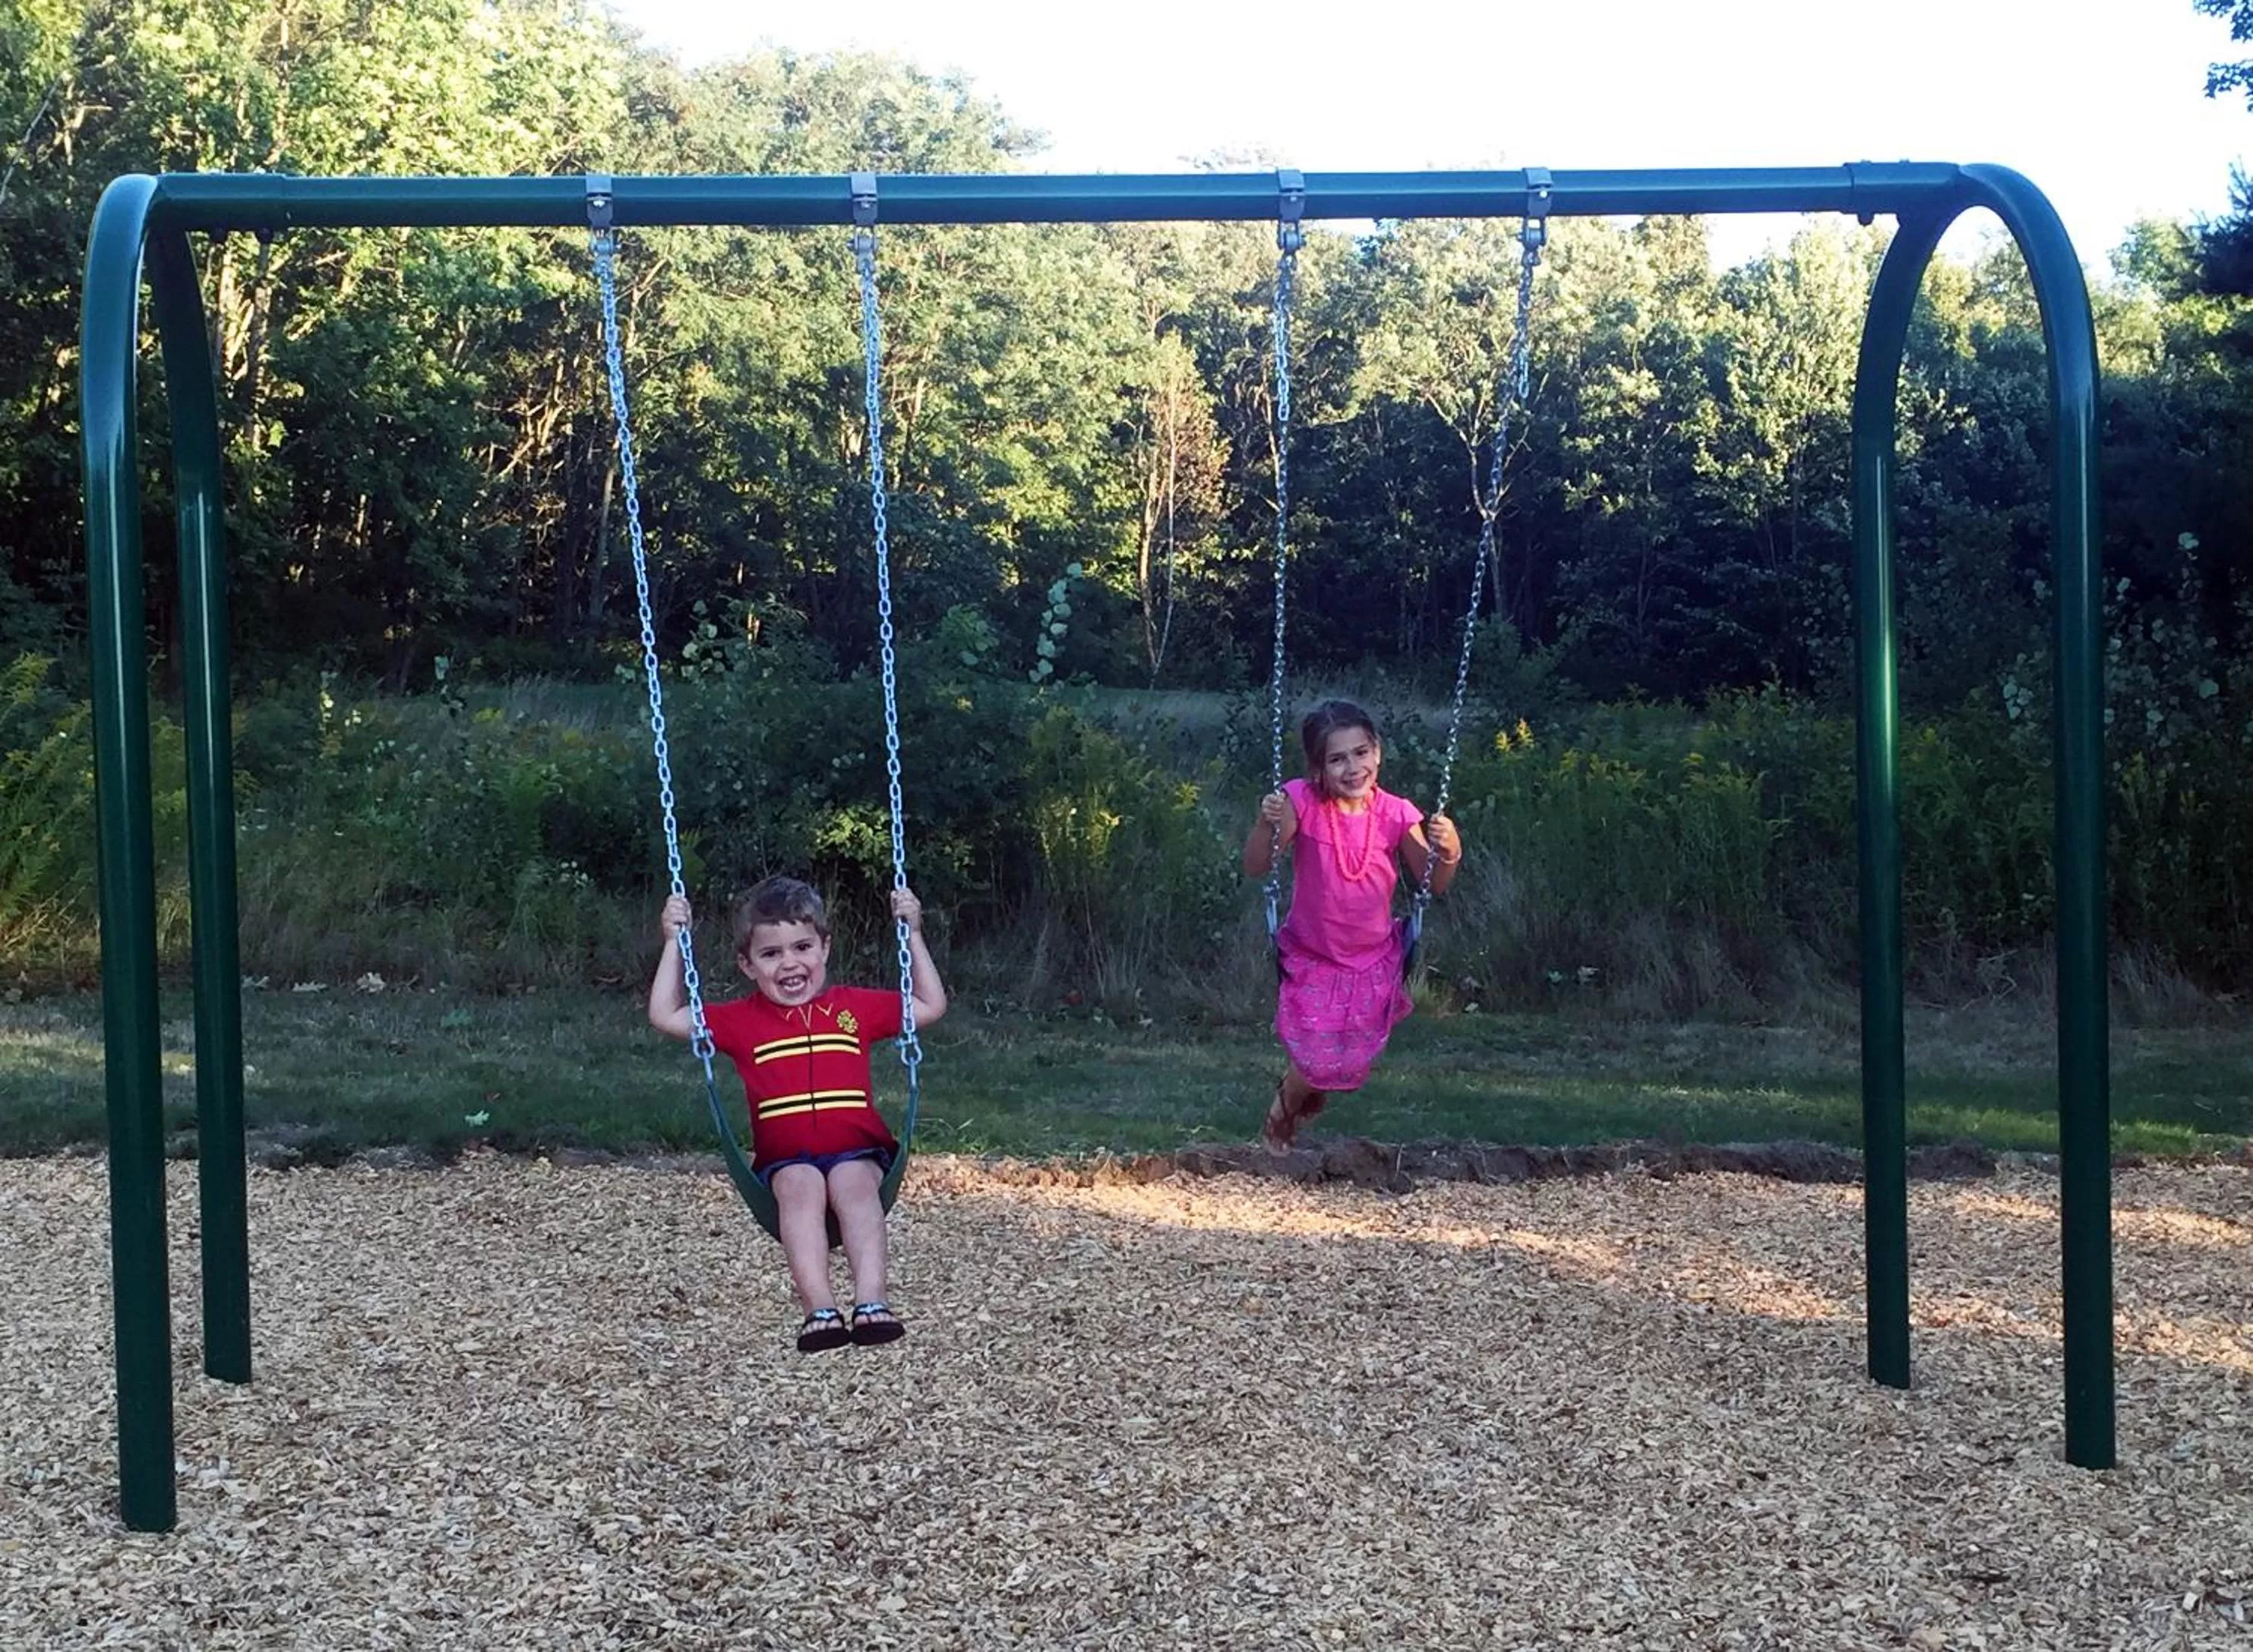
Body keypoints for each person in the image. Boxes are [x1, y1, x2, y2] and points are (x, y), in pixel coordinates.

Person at [649, 876, 946, 1354]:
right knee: (800, 1188)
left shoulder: (854, 1008)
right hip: (787, 1159)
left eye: (803, 947)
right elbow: (666, 1015)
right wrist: (672, 943)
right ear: (748, 965)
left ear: (824, 949)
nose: (790, 963)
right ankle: (820, 1309)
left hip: (858, 1149)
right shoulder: (739, 1021)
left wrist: (912, 932)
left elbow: (930, 1004)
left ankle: (872, 1301)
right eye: (771, 954)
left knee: (853, 1184)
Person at [1242, 700, 1462, 1153]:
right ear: (1318, 768)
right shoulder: (1301, 801)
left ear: (1378, 753)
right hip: (1313, 954)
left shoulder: (1397, 814)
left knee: (1349, 1057)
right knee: (1315, 1052)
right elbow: (1257, 865)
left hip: (1372, 959)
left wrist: (1451, 849)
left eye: (1361, 753)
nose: (1353, 767)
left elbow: (1432, 883)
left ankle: (1304, 1094)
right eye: (1337, 758)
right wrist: (1267, 824)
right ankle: (1281, 1113)